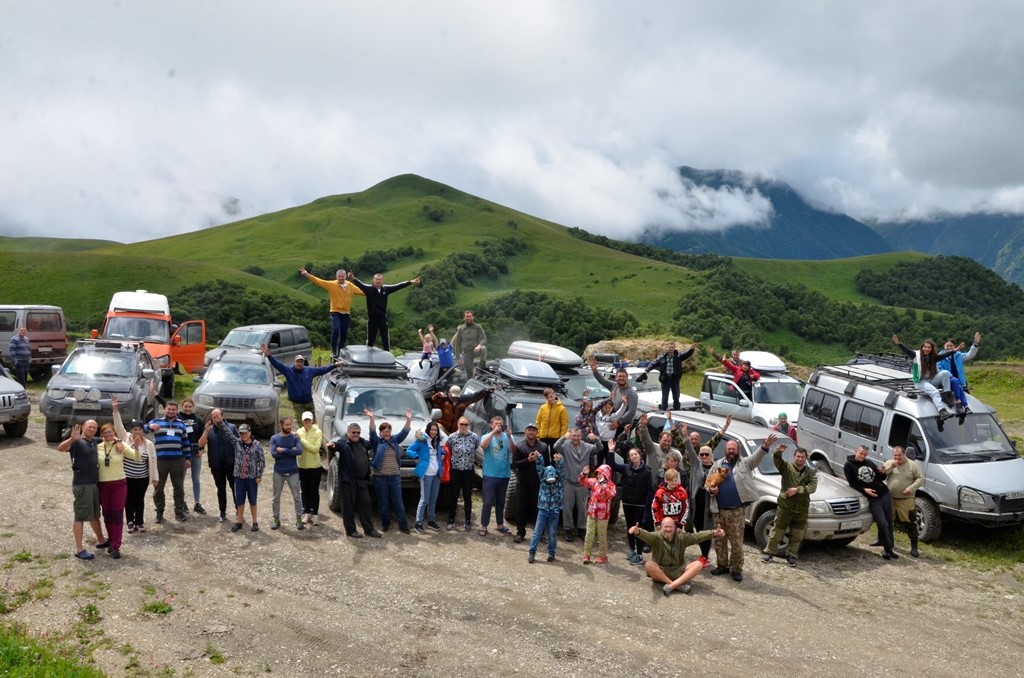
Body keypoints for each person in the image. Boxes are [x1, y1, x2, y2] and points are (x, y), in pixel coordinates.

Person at [708, 434, 775, 582]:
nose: (731, 450)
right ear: (725, 450)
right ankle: (722, 565)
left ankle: (736, 569)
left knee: (736, 542)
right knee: (719, 541)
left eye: (734, 448)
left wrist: (765, 446)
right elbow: (708, 482)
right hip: (719, 511)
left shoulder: (744, 463)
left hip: (736, 511)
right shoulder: (717, 464)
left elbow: (756, 458)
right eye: (729, 448)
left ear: (738, 450)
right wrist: (711, 490)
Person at [629, 518, 725, 596]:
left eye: (670, 527)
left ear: (675, 528)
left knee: (699, 564)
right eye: (666, 527)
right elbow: (646, 535)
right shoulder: (656, 537)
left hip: (678, 571)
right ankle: (677, 586)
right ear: (661, 527)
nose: (668, 529)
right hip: (661, 572)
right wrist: (638, 531)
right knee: (649, 564)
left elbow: (697, 536)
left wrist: (714, 533)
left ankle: (671, 586)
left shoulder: (681, 538)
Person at [56, 419, 108, 560]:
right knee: (80, 516)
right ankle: (79, 549)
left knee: (94, 515)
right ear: (83, 427)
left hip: (93, 484)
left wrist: (118, 441)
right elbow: (60, 448)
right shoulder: (76, 441)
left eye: (94, 427)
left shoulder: (95, 441)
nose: (92, 429)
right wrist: (72, 439)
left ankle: (101, 540)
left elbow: (109, 438)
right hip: (82, 485)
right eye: (89, 427)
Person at [761, 445, 817, 567]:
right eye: (798, 456)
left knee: (797, 534)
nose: (800, 459)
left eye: (802, 457)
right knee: (777, 531)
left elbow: (812, 488)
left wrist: (797, 490)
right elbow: (777, 460)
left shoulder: (810, 472)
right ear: (794, 457)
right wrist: (778, 452)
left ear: (806, 458)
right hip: (785, 506)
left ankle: (792, 555)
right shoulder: (786, 467)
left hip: (801, 508)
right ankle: (769, 552)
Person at [326, 422, 382, 538]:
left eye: (358, 432)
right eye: (353, 432)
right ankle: (351, 531)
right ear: (348, 433)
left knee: (366, 504)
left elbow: (373, 442)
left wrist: (372, 424)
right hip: (348, 481)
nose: (356, 434)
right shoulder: (343, 443)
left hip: (362, 481)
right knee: (348, 507)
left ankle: (369, 529)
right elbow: (336, 446)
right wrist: (332, 445)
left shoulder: (362, 442)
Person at [262, 345, 344, 423]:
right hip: (297, 403)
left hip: (308, 402)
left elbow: (323, 370)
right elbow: (278, 365)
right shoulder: (288, 371)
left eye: (301, 362)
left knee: (313, 423)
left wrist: (335, 365)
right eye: (298, 361)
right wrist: (269, 356)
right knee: (302, 424)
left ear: (303, 363)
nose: (299, 363)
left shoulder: (309, 370)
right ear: (294, 362)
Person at [844, 445, 896, 560]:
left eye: (865, 454)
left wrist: (884, 472)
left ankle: (889, 549)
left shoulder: (869, 462)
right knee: (882, 523)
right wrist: (864, 490)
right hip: (874, 499)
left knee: (889, 522)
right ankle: (887, 549)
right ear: (856, 452)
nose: (863, 456)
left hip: (885, 494)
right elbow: (852, 483)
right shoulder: (849, 465)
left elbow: (880, 477)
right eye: (861, 453)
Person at [299, 266, 366, 356]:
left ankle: (340, 351)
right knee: (336, 329)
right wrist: (307, 275)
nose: (341, 278)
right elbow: (319, 281)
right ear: (336, 277)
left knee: (344, 334)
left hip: (346, 313)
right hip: (335, 312)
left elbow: (363, 292)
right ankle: (334, 349)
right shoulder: (332, 284)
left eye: (342, 276)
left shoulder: (350, 286)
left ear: (345, 276)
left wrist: (374, 290)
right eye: (339, 276)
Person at [605, 442, 652, 566]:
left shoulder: (647, 471)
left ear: (640, 455)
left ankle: (640, 554)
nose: (634, 456)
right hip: (627, 502)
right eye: (631, 455)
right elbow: (612, 465)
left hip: (640, 504)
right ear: (629, 458)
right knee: (629, 527)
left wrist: (648, 506)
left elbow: (649, 490)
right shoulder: (626, 468)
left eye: (636, 454)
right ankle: (632, 550)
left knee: (638, 529)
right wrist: (611, 451)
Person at [892, 335, 962, 418]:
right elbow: (907, 351)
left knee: (945, 373)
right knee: (935, 392)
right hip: (920, 382)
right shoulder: (916, 355)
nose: (926, 349)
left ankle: (946, 394)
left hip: (931, 380)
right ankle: (942, 411)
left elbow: (944, 355)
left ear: (931, 349)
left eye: (929, 347)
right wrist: (899, 344)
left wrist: (955, 350)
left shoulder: (933, 357)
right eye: (925, 347)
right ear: (922, 348)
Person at [348, 271, 421, 350]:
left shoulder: (386, 289)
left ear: (382, 281)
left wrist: (410, 282)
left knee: (385, 339)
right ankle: (368, 354)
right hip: (372, 319)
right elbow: (360, 284)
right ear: (373, 280)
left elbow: (398, 286)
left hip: (383, 318)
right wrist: (353, 278)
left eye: (379, 280)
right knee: (371, 339)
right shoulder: (368, 289)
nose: (378, 281)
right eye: (376, 279)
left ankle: (387, 354)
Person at [368, 408, 413, 534]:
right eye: (384, 431)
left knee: (398, 501)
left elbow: (405, 431)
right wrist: (372, 418)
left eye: (388, 431)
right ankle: (385, 524)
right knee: (383, 502)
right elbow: (372, 431)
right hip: (380, 478)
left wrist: (408, 419)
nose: (387, 433)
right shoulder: (376, 442)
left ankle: (403, 525)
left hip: (395, 477)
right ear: (381, 433)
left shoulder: (394, 440)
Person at [147, 400, 192, 523]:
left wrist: (188, 458)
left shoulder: (181, 424)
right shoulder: (156, 421)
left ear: (177, 411)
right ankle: (159, 512)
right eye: (169, 409)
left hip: (178, 460)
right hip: (160, 460)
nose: (171, 411)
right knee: (158, 487)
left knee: (179, 487)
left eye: (173, 410)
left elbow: (185, 442)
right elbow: (142, 428)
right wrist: (149, 427)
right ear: (165, 409)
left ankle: (179, 511)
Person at [554, 428, 598, 542]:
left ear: (581, 436)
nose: (576, 438)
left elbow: (599, 448)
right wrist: (564, 437)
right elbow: (556, 446)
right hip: (568, 482)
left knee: (583, 508)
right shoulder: (565, 446)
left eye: (578, 436)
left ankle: (582, 529)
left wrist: (596, 439)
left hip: (582, 483)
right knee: (567, 508)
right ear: (571, 436)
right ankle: (568, 530)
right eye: (574, 436)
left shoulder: (587, 446)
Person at [880, 446, 924, 557]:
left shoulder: (912, 465)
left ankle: (914, 547)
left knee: (910, 522)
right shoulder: (889, 463)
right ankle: (888, 546)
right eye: (895, 455)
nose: (897, 457)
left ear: (904, 454)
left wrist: (911, 488)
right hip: (890, 498)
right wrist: (891, 466)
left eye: (899, 455)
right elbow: (881, 475)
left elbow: (920, 479)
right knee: (887, 522)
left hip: (906, 499)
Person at [511, 423, 551, 544]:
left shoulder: (543, 447)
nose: (531, 432)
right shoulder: (519, 446)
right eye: (529, 430)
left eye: (533, 430)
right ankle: (520, 533)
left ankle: (540, 533)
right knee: (521, 509)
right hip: (523, 482)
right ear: (525, 432)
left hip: (538, 483)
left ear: (537, 433)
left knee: (539, 509)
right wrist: (528, 460)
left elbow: (548, 465)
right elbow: (514, 464)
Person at [197, 409, 238, 523]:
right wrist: (206, 431)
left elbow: (238, 444)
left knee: (235, 489)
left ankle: (239, 512)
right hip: (216, 466)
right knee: (221, 490)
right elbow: (201, 444)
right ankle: (222, 512)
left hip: (231, 464)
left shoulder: (232, 427)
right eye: (213, 417)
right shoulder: (209, 429)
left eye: (217, 416)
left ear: (222, 416)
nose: (215, 419)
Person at [407, 421, 446, 533]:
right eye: (432, 430)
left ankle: (431, 520)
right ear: (428, 430)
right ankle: (418, 523)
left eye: (435, 430)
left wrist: (443, 453)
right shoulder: (421, 441)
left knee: (433, 498)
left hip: (436, 474)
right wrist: (416, 456)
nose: (433, 432)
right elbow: (409, 450)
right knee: (424, 499)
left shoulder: (437, 441)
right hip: (426, 474)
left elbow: (439, 452)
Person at [121, 417, 157, 534]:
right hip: (128, 477)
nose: (137, 431)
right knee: (129, 499)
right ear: (131, 430)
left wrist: (155, 477)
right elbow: (118, 426)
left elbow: (153, 460)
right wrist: (115, 411)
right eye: (135, 429)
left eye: (140, 429)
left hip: (143, 477)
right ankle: (130, 521)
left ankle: (139, 521)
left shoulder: (149, 444)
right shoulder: (126, 440)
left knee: (140, 499)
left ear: (143, 431)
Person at [528, 451, 565, 564]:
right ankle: (532, 552)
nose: (550, 480)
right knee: (537, 532)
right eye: (548, 478)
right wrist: (539, 457)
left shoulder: (559, 481)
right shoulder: (542, 480)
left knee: (552, 533)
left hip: (554, 511)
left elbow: (561, 470)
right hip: (543, 510)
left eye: (552, 478)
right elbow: (540, 467)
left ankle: (551, 553)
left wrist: (559, 461)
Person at [445, 417, 481, 531]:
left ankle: (468, 520)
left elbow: (476, 447)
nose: (463, 426)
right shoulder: (452, 437)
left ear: (468, 425)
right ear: (458, 424)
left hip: (468, 470)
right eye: (462, 424)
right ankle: (451, 519)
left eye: (466, 424)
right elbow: (448, 449)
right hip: (455, 470)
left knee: (467, 496)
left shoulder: (474, 437)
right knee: (454, 495)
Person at [479, 416, 513, 536]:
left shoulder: (507, 436)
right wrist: (493, 433)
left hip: (504, 474)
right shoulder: (486, 436)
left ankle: (500, 524)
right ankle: (484, 525)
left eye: (500, 424)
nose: (498, 425)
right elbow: (483, 445)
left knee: (501, 501)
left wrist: (509, 437)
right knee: (488, 501)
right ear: (491, 425)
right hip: (490, 474)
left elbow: (513, 450)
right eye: (496, 423)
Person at [269, 417, 304, 531]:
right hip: (278, 472)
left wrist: (283, 450)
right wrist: (291, 450)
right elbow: (274, 454)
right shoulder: (274, 438)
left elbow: (299, 451)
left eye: (290, 424)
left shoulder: (295, 437)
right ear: (281, 425)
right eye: (287, 425)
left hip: (293, 472)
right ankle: (276, 519)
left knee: (297, 497)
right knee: (276, 498)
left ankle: (299, 519)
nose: (289, 427)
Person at [642, 341, 697, 411]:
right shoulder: (662, 357)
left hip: (675, 379)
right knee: (664, 398)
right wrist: (646, 371)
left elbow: (686, 354)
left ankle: (677, 411)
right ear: (667, 348)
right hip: (665, 379)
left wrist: (692, 349)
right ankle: (663, 411)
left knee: (676, 397)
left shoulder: (678, 356)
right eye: (670, 347)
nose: (671, 348)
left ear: (674, 348)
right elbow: (653, 363)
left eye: (672, 347)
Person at [579, 464, 617, 564]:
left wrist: (604, 484)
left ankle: (603, 556)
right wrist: (583, 474)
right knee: (589, 533)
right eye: (598, 473)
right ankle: (586, 555)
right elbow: (582, 482)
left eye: (602, 473)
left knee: (602, 535)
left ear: (607, 474)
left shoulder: (611, 485)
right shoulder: (594, 481)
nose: (599, 475)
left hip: (603, 515)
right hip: (592, 513)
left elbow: (611, 495)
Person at [589, 358, 638, 434]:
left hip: (623, 428)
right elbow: (603, 381)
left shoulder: (632, 393)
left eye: (623, 376)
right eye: (619, 376)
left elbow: (631, 411)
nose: (621, 378)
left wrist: (618, 422)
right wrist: (595, 371)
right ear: (616, 377)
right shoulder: (614, 386)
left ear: (627, 378)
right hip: (612, 425)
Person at [231, 424, 264, 533]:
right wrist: (220, 422)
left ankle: (254, 522)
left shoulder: (257, 444)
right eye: (241, 433)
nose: (244, 435)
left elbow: (261, 461)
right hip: (239, 477)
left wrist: (259, 475)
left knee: (252, 500)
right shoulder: (237, 443)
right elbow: (228, 434)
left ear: (250, 433)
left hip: (252, 478)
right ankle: (239, 521)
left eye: (246, 433)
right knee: (240, 500)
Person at [938, 331, 982, 409]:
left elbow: (970, 355)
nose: (949, 347)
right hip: (946, 383)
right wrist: (951, 377)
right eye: (947, 346)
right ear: (944, 346)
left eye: (951, 346)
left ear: (955, 347)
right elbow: (939, 369)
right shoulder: (940, 357)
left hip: (961, 383)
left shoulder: (959, 355)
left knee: (969, 402)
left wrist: (975, 344)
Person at [178, 398, 205, 515]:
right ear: (182, 406)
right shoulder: (178, 418)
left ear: (193, 407)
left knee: (196, 479)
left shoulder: (198, 420)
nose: (188, 408)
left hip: (195, 452)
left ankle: (197, 503)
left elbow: (203, 436)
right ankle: (182, 503)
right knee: (181, 479)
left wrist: (202, 449)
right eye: (185, 406)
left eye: (190, 406)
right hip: (182, 453)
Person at [297, 411, 323, 526]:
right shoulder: (299, 431)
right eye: (305, 420)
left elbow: (315, 449)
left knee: (314, 490)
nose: (307, 422)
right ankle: (307, 512)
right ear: (302, 421)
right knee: (304, 490)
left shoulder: (318, 432)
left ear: (312, 420)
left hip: (314, 466)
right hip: (302, 466)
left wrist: (302, 440)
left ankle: (315, 514)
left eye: (309, 420)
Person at [450, 310, 487, 378]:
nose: (469, 318)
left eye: (470, 316)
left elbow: (484, 338)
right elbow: (457, 344)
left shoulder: (477, 327)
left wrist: (479, 346)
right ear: (464, 318)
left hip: (476, 350)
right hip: (466, 353)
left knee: (483, 348)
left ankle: (480, 368)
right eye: (467, 317)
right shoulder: (461, 329)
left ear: (473, 317)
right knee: (469, 375)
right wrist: (458, 358)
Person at [652, 467, 689, 534]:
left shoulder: (682, 491)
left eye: (675, 480)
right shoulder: (660, 492)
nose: (673, 483)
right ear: (666, 480)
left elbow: (685, 508)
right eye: (671, 481)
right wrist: (657, 522)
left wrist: (681, 524)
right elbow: (655, 508)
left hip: (677, 524)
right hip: (663, 524)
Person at [537, 387, 569, 452]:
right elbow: (538, 422)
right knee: (543, 456)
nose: (550, 399)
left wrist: (561, 438)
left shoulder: (561, 408)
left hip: (555, 438)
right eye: (547, 398)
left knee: (554, 456)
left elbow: (564, 424)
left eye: (551, 396)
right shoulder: (543, 407)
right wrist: (537, 435)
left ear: (554, 394)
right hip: (543, 437)